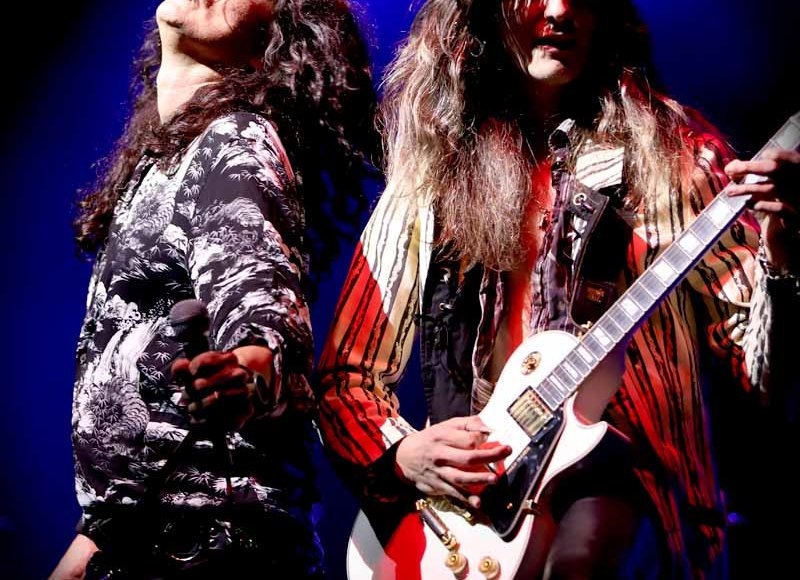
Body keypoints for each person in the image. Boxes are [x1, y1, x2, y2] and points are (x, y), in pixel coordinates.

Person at [316, 0, 800, 578]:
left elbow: (769, 377)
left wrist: (785, 254)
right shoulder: (430, 180)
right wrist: (404, 454)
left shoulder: (676, 158)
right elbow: (346, 376)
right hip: (477, 532)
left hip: (636, 520)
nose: (558, 10)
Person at [50, 0, 377, 578]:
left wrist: (247, 371)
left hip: (216, 548)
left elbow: (260, 310)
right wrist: (94, 537)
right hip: (148, 541)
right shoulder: (165, 157)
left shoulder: (234, 140)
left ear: (271, 41)